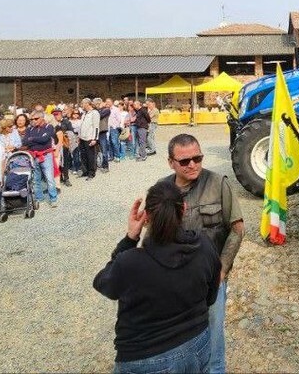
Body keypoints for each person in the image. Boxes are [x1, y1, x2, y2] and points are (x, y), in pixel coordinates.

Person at [93, 182, 220, 374]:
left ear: (147, 216)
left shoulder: (130, 262)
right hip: (198, 342)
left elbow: (104, 284)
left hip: (146, 356)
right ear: (184, 209)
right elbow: (211, 297)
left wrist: (130, 238)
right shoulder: (204, 246)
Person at [161, 134, 244, 373]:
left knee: (213, 335)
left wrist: (222, 270)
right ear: (171, 163)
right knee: (180, 337)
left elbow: (237, 229)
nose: (192, 165)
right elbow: (155, 235)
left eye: (197, 158)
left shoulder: (218, 183)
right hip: (175, 280)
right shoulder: (162, 190)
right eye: (184, 161)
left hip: (211, 279)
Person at [22, 111, 58, 207]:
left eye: (36, 119)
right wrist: (37, 139)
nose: (33, 121)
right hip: (33, 156)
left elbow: (45, 140)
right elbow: (25, 142)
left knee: (49, 178)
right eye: (31, 119)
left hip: (46, 155)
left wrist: (32, 139)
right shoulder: (30, 129)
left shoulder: (49, 127)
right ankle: (39, 198)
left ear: (42, 118)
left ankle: (53, 198)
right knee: (35, 179)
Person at [78, 99, 100, 180]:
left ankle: (91, 173)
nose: (81, 105)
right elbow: (81, 125)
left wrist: (94, 139)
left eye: (82, 103)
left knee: (91, 156)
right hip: (82, 138)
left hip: (90, 138)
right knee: (83, 156)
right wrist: (79, 136)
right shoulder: (84, 113)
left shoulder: (94, 113)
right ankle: (85, 171)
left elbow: (96, 127)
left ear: (87, 104)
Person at [52, 110, 72, 187]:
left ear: (60, 114)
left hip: (63, 145)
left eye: (57, 114)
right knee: (57, 162)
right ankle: (59, 177)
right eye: (54, 115)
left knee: (65, 162)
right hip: (54, 145)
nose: (55, 116)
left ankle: (66, 178)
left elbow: (71, 132)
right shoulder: (52, 124)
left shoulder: (66, 122)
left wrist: (63, 133)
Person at [95, 99, 112, 172]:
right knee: (96, 150)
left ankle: (105, 166)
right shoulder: (96, 111)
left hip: (102, 132)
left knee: (104, 150)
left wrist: (99, 108)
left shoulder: (106, 110)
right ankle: (97, 164)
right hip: (95, 132)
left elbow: (99, 116)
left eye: (98, 103)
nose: (97, 105)